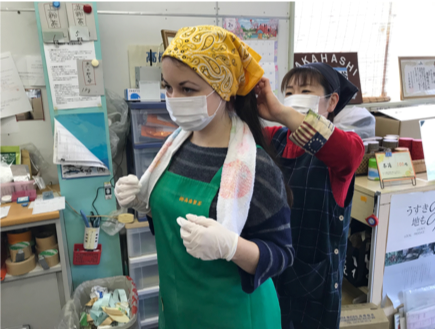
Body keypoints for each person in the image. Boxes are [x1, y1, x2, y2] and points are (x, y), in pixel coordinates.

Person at [115, 25, 293, 329]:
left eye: (187, 89)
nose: (173, 98)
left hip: (236, 317)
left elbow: (281, 256)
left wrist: (231, 247)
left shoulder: (254, 168)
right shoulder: (173, 151)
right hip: (179, 311)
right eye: (168, 87)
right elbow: (174, 232)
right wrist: (144, 204)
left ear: (222, 88)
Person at [255, 62, 365, 329]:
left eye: (304, 90)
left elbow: (346, 153)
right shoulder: (274, 138)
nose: (294, 97)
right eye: (289, 92)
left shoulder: (347, 146)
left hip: (315, 287)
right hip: (271, 271)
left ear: (331, 102)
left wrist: (281, 112)